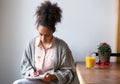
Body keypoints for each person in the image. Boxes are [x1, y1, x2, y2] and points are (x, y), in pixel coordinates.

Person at [13, 1, 79, 84]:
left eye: (47, 35)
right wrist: (31, 72)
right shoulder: (31, 44)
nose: (43, 39)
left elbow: (69, 71)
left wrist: (53, 76)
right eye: (40, 34)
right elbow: (25, 64)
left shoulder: (62, 46)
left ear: (53, 31)